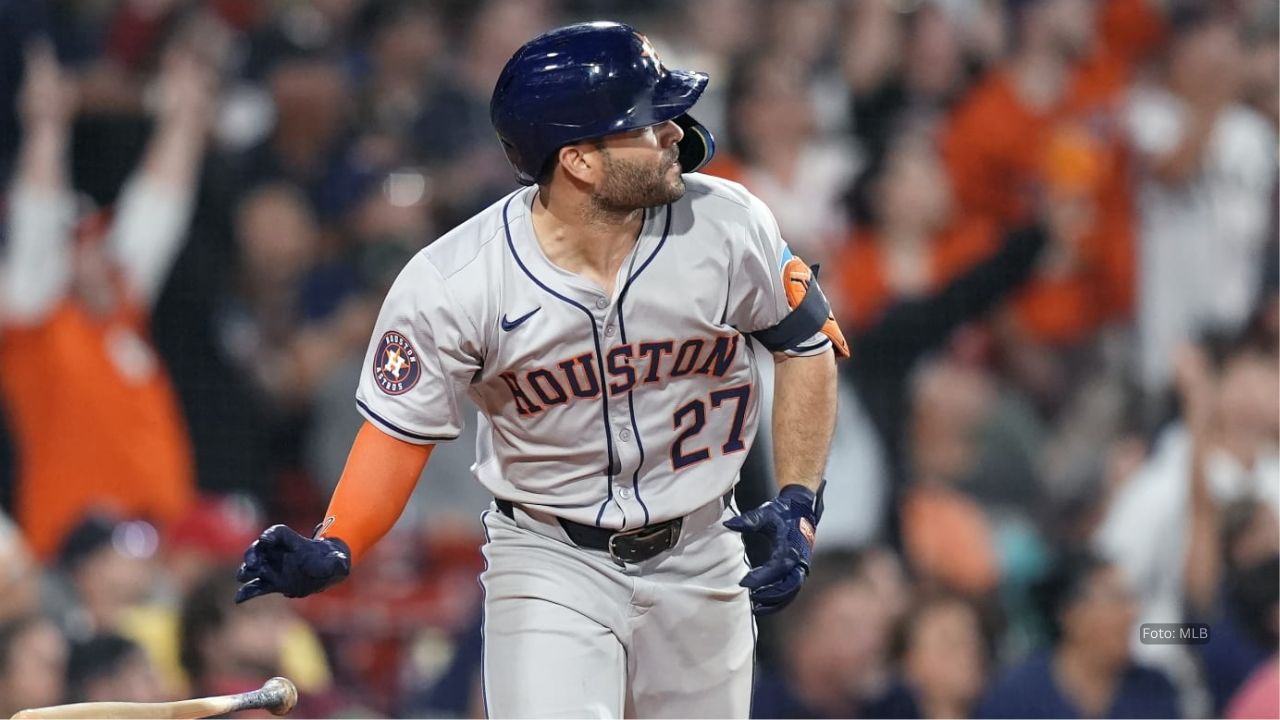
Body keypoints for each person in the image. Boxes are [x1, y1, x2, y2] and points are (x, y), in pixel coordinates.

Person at [235, 21, 846, 717]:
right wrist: (339, 539)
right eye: (646, 122)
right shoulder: (459, 280)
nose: (676, 130)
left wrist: (799, 499)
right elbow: (399, 433)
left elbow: (805, 347)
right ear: (580, 161)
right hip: (553, 560)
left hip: (705, 550)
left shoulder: (729, 226)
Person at [0, 41, 211, 559]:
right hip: (71, 553)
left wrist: (184, 120)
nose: (95, 254)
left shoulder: (121, 312)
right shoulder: (31, 322)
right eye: (78, 245)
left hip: (153, 545)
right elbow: (35, 222)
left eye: (97, 240)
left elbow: (159, 210)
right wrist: (46, 128)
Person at [975, 549, 1179, 719]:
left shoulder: (1154, 689)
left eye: (1131, 599)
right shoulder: (1017, 696)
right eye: (1117, 600)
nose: (1131, 613)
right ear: (1072, 614)